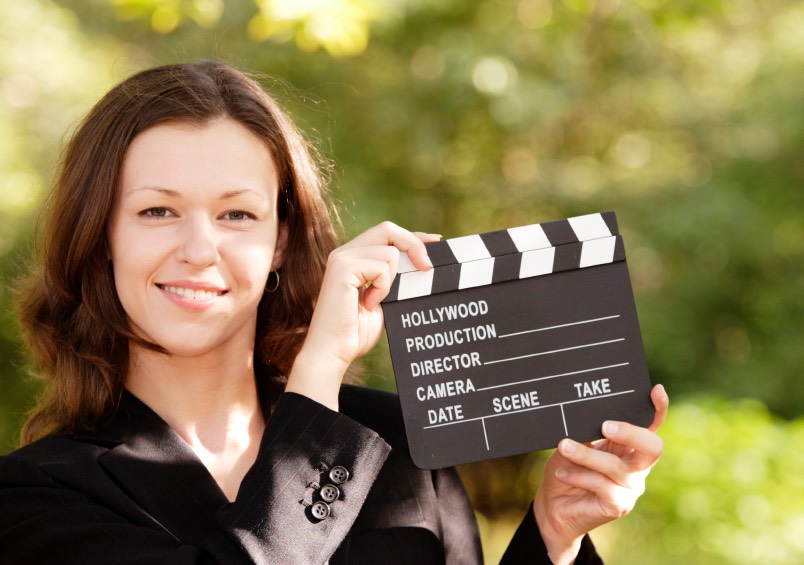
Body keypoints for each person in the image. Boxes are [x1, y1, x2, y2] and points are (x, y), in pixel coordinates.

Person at [0, 61, 668, 564]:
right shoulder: (34, 494)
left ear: (279, 240)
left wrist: (554, 533)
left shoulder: (402, 442)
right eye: (157, 211)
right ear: (101, 236)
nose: (200, 249)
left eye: (238, 213)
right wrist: (317, 372)